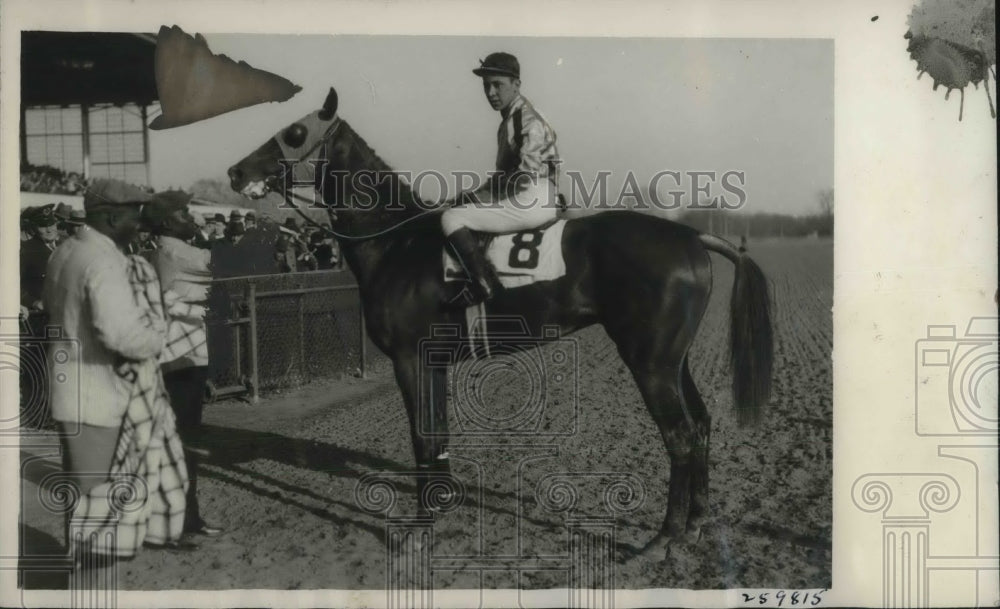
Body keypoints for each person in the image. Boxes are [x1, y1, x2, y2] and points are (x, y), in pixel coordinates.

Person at [43, 179, 189, 564]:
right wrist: (160, 335)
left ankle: (78, 574)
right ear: (110, 217)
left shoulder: (64, 251)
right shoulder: (104, 261)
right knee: (96, 520)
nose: (139, 223)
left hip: (69, 389)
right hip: (97, 395)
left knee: (80, 505)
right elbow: (121, 334)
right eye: (133, 215)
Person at [441, 52, 561, 305]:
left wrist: (477, 197)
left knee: (452, 217)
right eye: (487, 86)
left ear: (516, 84)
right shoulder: (513, 118)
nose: (491, 92)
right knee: (463, 206)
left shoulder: (525, 119)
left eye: (498, 84)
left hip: (531, 197)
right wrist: (473, 195)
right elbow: (505, 176)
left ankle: (482, 285)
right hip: (535, 194)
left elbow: (522, 177)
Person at [142, 190, 223, 538]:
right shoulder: (174, 251)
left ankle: (185, 518)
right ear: (164, 223)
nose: (193, 219)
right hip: (178, 357)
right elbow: (229, 263)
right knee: (181, 440)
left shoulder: (165, 250)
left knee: (180, 439)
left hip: (183, 354)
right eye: (183, 214)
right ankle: (176, 521)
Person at [20, 204, 60, 322]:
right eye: (42, 226)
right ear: (33, 228)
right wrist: (33, 302)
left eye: (51, 224)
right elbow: (11, 285)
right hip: (38, 317)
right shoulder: (26, 250)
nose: (49, 229)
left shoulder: (65, 246)